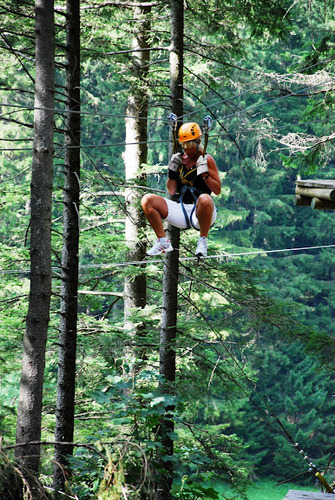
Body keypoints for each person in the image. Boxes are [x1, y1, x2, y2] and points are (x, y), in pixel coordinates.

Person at [141, 122, 221, 257]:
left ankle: (202, 241)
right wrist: (172, 171)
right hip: (182, 209)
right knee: (147, 200)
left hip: (202, 212)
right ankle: (163, 241)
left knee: (205, 198)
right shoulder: (179, 160)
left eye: (190, 145)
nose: (187, 149)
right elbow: (172, 190)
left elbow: (217, 190)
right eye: (184, 145)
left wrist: (205, 175)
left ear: (198, 142)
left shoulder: (207, 159)